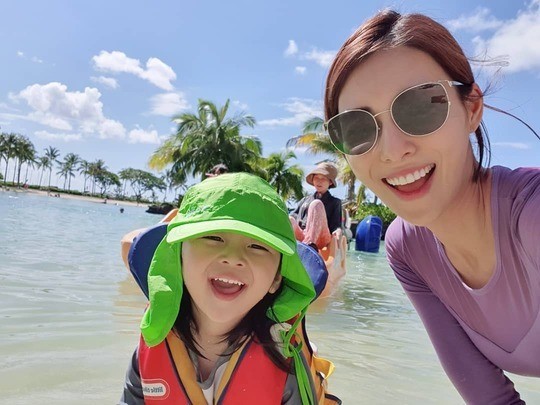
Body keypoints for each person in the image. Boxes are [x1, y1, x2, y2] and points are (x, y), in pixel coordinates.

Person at [323, 9, 540, 404]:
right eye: (356, 128)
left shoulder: (531, 216)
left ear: (471, 108)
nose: (392, 151)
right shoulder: (405, 247)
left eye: (421, 107)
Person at [120, 172, 340, 404]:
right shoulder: (153, 338)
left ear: (277, 278)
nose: (233, 258)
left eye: (257, 246)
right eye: (213, 238)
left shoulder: (285, 361)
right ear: (177, 259)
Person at [290, 162, 342, 250]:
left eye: (323, 179)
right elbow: (294, 216)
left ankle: (309, 247)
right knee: (290, 219)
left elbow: (336, 225)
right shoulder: (305, 200)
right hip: (302, 235)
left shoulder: (335, 202)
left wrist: (338, 231)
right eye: (316, 178)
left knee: (316, 204)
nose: (319, 181)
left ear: (330, 182)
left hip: (322, 238)